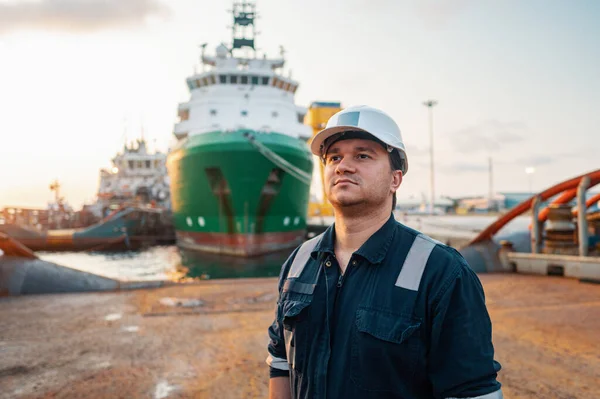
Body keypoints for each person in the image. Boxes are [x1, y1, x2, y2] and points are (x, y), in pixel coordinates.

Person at [266, 105, 503, 399]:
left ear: (395, 179)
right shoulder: (299, 262)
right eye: (334, 157)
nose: (343, 166)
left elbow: (471, 390)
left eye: (362, 155)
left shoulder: (441, 271)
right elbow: (280, 363)